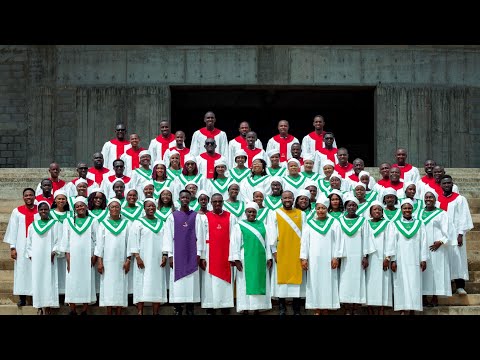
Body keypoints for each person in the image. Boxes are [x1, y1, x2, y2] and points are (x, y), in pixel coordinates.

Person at [164, 189, 205, 315]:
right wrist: (170, 255)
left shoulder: (196, 216)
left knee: (191, 281)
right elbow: (168, 236)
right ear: (179, 199)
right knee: (178, 283)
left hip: (192, 253)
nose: (185, 200)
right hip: (177, 253)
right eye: (183, 197)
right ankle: (178, 307)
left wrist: (199, 253)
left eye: (187, 198)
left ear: (190, 199)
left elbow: (200, 235)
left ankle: (190, 307)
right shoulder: (172, 216)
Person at [300, 196, 343, 315]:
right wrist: (304, 258)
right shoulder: (309, 224)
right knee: (314, 282)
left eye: (323, 208)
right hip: (314, 260)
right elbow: (304, 242)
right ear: (315, 209)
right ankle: (317, 308)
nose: (320, 211)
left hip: (329, 259)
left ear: (327, 209)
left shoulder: (334, 223)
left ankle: (326, 308)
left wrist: (336, 257)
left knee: (328, 282)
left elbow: (338, 241)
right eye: (318, 208)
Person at [230, 202, 273, 315]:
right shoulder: (239, 225)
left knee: (259, 281)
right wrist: (236, 260)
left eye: (253, 212)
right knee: (244, 282)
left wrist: (269, 257)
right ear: (245, 213)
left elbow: (268, 243)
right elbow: (235, 243)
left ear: (256, 213)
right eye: (249, 211)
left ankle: (257, 308)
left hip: (260, 259)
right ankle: (245, 307)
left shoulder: (263, 225)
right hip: (245, 258)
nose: (251, 214)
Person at [337, 196, 375, 315]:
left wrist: (365, 256)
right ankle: (347, 308)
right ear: (345, 207)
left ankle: (355, 308)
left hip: (358, 257)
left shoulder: (363, 221)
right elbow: (337, 239)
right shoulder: (339, 220)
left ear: (357, 207)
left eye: (354, 205)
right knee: (345, 281)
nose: (351, 207)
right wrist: (337, 256)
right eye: (349, 205)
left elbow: (367, 239)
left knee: (358, 281)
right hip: (344, 257)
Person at [129, 198, 168, 315]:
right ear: (144, 208)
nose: (151, 208)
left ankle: (155, 312)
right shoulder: (138, 223)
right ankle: (140, 311)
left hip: (157, 259)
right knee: (141, 282)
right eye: (148, 206)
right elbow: (133, 240)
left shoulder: (162, 223)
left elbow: (166, 240)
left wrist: (165, 255)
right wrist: (137, 256)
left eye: (153, 206)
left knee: (156, 282)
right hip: (143, 258)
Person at [60, 196, 98, 315]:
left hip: (88, 257)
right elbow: (65, 241)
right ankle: (73, 309)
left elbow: (97, 240)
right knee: (72, 282)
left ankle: (85, 310)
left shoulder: (93, 221)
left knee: (86, 281)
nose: (80, 208)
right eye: (77, 206)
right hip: (73, 257)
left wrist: (94, 257)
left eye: (82, 205)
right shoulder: (68, 221)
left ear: (86, 206)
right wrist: (68, 259)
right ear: (74, 208)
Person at [199, 193, 237, 315]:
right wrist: (202, 256)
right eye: (214, 202)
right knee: (210, 282)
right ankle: (211, 308)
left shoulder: (231, 217)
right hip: (210, 254)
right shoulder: (205, 217)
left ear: (223, 202)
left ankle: (225, 307)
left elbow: (234, 238)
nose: (217, 204)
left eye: (219, 202)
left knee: (224, 283)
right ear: (211, 203)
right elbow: (202, 237)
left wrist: (233, 256)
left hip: (226, 254)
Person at [271, 190, 306, 316]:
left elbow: (305, 235)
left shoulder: (301, 214)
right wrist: (274, 251)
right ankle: (282, 307)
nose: (287, 200)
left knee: (296, 283)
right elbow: (272, 234)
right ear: (281, 199)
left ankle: (296, 309)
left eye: (289, 198)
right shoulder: (275, 213)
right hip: (282, 250)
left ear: (293, 199)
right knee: (282, 282)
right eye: (285, 198)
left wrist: (304, 254)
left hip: (297, 251)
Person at [391, 198, 429, 315]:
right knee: (401, 284)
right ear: (401, 210)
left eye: (409, 208)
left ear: (412, 209)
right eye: (405, 208)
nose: (407, 210)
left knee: (414, 283)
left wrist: (423, 258)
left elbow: (424, 241)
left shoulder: (419, 223)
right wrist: (392, 259)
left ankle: (412, 309)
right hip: (400, 258)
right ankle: (402, 308)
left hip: (414, 258)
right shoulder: (395, 224)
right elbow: (391, 242)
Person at [437, 175, 473, 295]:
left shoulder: (460, 199)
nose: (447, 185)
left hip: (456, 234)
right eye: (444, 183)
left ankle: (460, 286)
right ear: (440, 185)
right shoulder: (437, 200)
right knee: (444, 260)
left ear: (452, 185)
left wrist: (460, 234)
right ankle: (446, 286)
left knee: (458, 260)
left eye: (449, 183)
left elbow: (464, 217)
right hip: (442, 235)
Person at [95, 198, 131, 315]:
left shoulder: (127, 223)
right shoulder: (103, 224)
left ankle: (119, 312)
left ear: (120, 209)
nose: (115, 209)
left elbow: (129, 243)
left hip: (122, 260)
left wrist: (128, 260)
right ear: (108, 209)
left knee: (121, 285)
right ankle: (109, 311)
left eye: (117, 207)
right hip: (107, 261)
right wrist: (99, 262)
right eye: (112, 207)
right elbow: (99, 244)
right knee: (108, 286)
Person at [3, 188, 37, 307]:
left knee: (35, 271)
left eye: (31, 195)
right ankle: (22, 298)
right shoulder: (16, 211)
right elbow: (13, 230)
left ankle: (35, 297)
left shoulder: (41, 210)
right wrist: (13, 247)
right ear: (23, 197)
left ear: (34, 196)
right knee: (22, 271)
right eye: (26, 195)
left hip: (36, 246)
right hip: (21, 245)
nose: (28, 197)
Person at [26, 201, 61, 315]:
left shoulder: (55, 224)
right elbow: (29, 243)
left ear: (49, 210)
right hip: (37, 258)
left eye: (46, 209)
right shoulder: (33, 225)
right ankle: (39, 306)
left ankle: (48, 305)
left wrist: (54, 251)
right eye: (41, 209)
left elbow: (58, 240)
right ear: (38, 211)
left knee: (49, 280)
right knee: (37, 280)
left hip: (49, 258)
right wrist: (31, 255)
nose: (44, 211)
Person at [419, 191, 452, 307]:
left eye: (431, 197)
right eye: (426, 197)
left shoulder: (442, 214)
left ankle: (435, 296)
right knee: (423, 271)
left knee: (436, 271)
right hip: (422, 247)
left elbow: (448, 231)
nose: (428, 199)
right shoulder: (418, 213)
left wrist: (441, 242)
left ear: (435, 199)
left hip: (437, 248)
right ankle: (423, 296)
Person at [365, 201, 394, 315]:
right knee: (369, 282)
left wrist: (387, 258)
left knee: (384, 282)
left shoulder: (388, 224)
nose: (377, 211)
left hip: (383, 258)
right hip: (369, 258)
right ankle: (369, 307)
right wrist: (364, 256)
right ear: (370, 213)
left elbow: (391, 241)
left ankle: (382, 308)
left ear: (382, 213)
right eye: (374, 210)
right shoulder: (366, 223)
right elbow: (364, 240)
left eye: (379, 210)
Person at [50, 189, 70, 302]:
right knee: (56, 271)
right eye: (59, 198)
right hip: (54, 246)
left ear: (66, 201)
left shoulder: (70, 214)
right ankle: (56, 295)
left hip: (67, 246)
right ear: (55, 200)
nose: (61, 200)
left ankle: (66, 296)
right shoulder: (50, 213)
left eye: (63, 199)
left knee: (66, 271)